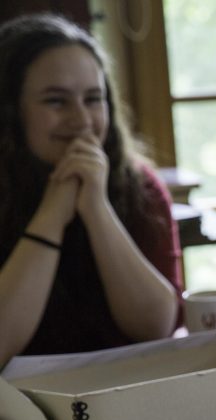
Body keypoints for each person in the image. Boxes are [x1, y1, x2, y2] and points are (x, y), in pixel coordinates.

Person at [0, 13, 181, 368]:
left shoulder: (141, 187)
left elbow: (157, 327)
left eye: (93, 99)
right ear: (9, 111)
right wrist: (52, 213)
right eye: (56, 101)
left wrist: (96, 208)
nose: (82, 120)